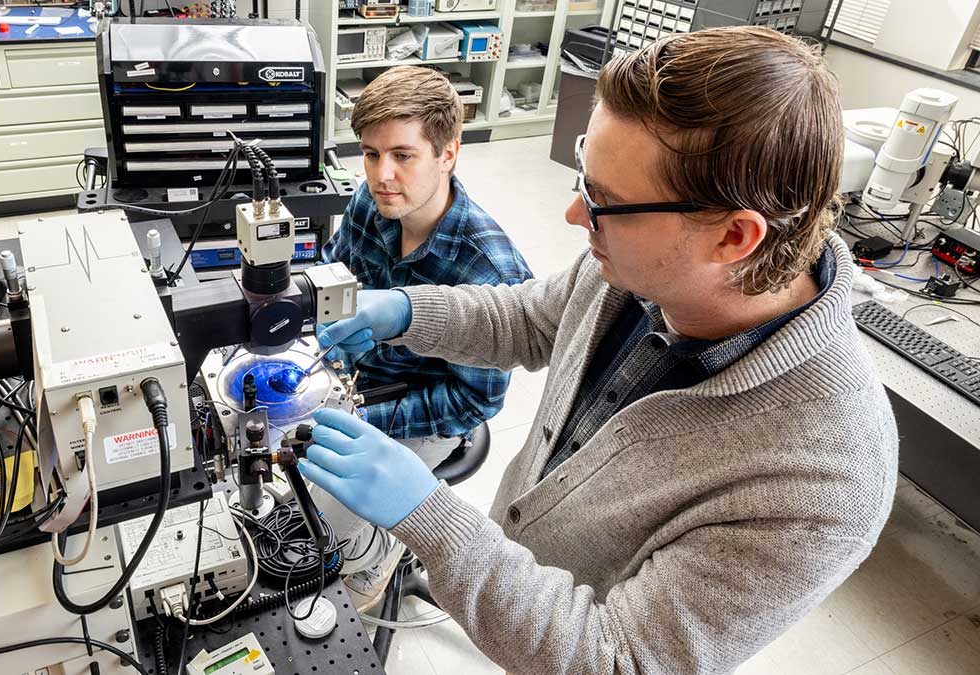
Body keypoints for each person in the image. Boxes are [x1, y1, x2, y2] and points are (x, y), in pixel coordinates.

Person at [299, 27, 899, 674]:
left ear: (733, 236)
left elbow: (618, 660)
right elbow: (529, 318)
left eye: (605, 202)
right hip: (519, 574)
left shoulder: (822, 478)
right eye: (586, 180)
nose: (573, 216)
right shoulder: (633, 271)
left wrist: (433, 520)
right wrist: (408, 311)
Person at [314, 65, 533, 609]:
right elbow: (334, 269)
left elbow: (472, 402)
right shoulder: (372, 202)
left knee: (327, 525)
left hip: (426, 413)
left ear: (448, 154)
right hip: (356, 380)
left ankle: (375, 554)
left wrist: (366, 423)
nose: (382, 174)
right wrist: (319, 323)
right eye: (370, 153)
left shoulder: (487, 269)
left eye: (403, 155)